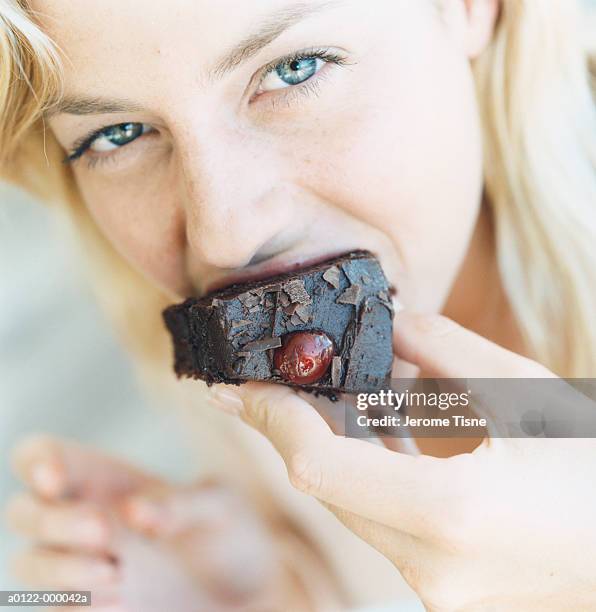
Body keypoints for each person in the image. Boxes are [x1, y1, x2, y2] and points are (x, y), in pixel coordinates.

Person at [1, 0, 595, 609]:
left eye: (295, 68)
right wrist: (290, 591)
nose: (223, 236)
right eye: (117, 135)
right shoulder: (222, 367)